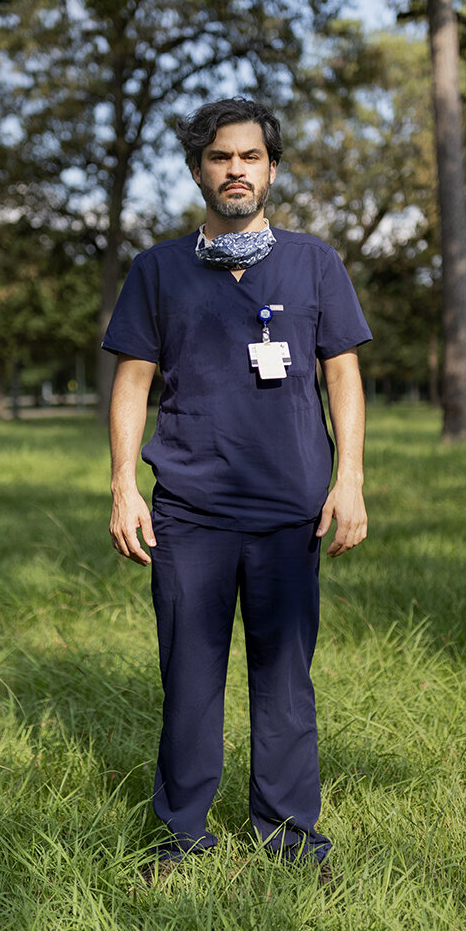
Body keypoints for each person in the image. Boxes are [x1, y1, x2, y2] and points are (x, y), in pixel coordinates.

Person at [103, 96, 371, 881]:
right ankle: (182, 838)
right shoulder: (158, 270)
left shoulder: (314, 263)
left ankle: (289, 839)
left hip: (291, 509)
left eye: (250, 157)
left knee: (285, 683)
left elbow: (343, 374)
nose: (236, 170)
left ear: (272, 169)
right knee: (190, 679)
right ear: (198, 170)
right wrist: (124, 483)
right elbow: (132, 381)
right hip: (189, 511)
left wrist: (348, 479)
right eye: (221, 157)